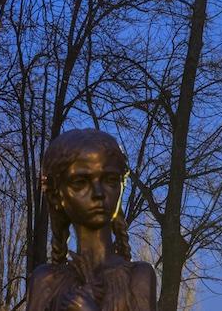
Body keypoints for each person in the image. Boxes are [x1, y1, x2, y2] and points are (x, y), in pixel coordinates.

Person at [26, 129, 156, 311]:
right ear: (56, 195)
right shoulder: (45, 281)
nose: (98, 193)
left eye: (110, 180)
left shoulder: (138, 277)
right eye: (80, 182)